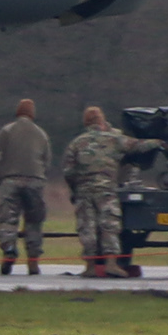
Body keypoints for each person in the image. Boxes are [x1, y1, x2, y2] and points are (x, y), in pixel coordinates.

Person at [60, 104, 135, 278]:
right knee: (109, 224)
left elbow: (68, 171)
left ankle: (90, 266)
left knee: (88, 227)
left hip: (84, 191)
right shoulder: (115, 138)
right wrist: (161, 143)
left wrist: (75, 189)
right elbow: (135, 150)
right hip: (106, 189)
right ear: (101, 120)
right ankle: (111, 263)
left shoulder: (78, 142)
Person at [0, 96, 53, 275]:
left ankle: (9, 250)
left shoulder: (7, 131)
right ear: (33, 114)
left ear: (18, 111)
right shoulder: (41, 134)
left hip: (10, 180)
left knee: (8, 219)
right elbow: (47, 162)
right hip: (35, 181)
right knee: (34, 221)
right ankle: (33, 260)